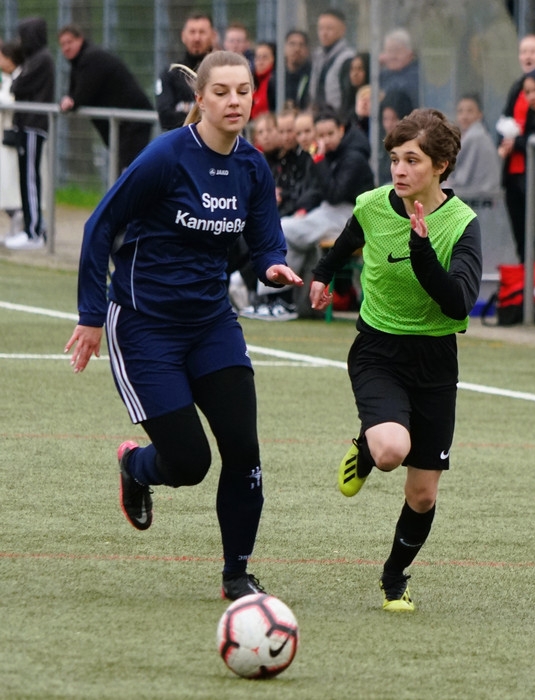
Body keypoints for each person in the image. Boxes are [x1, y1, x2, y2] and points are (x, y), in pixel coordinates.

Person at [64, 51, 303, 599]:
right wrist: (91, 316)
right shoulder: (166, 157)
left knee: (243, 449)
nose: (234, 101)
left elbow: (265, 240)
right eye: (221, 92)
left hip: (211, 323)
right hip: (144, 325)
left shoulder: (253, 166)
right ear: (200, 99)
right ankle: (136, 466)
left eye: (243, 91)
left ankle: (236, 575)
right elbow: (99, 227)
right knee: (190, 463)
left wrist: (273, 265)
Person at [308, 108, 482, 612]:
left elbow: (458, 303)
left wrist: (422, 248)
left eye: (412, 160)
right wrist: (321, 276)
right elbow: (344, 244)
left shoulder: (462, 225)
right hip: (378, 351)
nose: (399, 170)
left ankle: (394, 576)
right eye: (395, 159)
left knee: (423, 494)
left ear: (441, 166)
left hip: (435, 362)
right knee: (390, 450)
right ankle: (368, 449)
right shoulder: (372, 205)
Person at [255, 108, 373, 317]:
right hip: (330, 213)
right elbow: (316, 192)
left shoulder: (353, 156)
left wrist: (319, 160)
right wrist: (302, 209)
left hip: (351, 217)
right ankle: (280, 301)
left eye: (330, 134)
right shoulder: (329, 154)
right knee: (290, 235)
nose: (325, 140)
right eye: (321, 135)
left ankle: (282, 300)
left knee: (283, 228)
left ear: (341, 130)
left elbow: (335, 194)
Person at [56, 24, 154, 176]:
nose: (66, 48)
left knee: (129, 170)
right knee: (125, 169)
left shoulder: (90, 58)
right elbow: (75, 92)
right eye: (63, 44)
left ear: (80, 40)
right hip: (124, 123)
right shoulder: (80, 62)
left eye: (69, 42)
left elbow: (83, 95)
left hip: (133, 121)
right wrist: (71, 100)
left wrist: (72, 102)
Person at [5, 17, 54, 251]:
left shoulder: (41, 59)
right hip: (26, 126)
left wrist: (18, 82)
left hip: (34, 125)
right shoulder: (34, 59)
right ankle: (32, 228)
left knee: (31, 179)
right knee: (27, 179)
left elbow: (18, 85)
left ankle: (34, 232)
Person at [498, 34, 535, 262]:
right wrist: (503, 140)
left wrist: (518, 142)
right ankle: (525, 280)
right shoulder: (517, 86)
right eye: (523, 52)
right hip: (513, 172)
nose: (527, 56)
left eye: (533, 51)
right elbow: (505, 119)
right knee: (520, 237)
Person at [156, 13, 214, 130]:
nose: (197, 38)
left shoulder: (221, 73)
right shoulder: (171, 74)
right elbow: (165, 117)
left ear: (213, 36)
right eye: (192, 32)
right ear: (183, 36)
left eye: (202, 32)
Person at [447, 93, 500, 194]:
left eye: (470, 111)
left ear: (480, 114)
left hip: (478, 195)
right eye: (460, 111)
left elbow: (459, 174)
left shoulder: (475, 136)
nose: (464, 116)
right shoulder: (478, 133)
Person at [309, 8, 355, 114]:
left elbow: (347, 96)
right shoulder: (317, 56)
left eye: (329, 28)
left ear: (342, 30)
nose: (324, 33)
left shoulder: (348, 58)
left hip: (337, 116)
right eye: (321, 28)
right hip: (317, 114)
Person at [0, 39, 24, 242]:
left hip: (12, 138)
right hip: (5, 138)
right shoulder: (8, 78)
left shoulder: (20, 77)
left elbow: (12, 101)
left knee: (11, 183)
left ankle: (21, 226)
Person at [378, 28, 420, 108]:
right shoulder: (383, 74)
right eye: (389, 51)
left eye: (397, 51)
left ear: (410, 53)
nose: (393, 56)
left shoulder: (417, 74)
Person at [282, 29, 311, 111]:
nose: (297, 49)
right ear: (284, 48)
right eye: (292, 44)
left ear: (307, 50)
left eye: (301, 45)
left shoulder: (313, 76)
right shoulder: (276, 77)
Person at [251, 41, 277, 120]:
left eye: (265, 57)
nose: (260, 62)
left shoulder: (275, 81)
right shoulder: (251, 81)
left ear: (273, 59)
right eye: (258, 58)